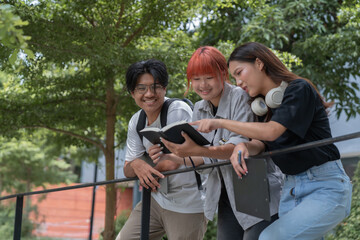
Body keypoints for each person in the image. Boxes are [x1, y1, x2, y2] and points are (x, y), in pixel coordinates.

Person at [192, 42, 353, 240]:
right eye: (234, 77)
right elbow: (260, 143)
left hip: (325, 185)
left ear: (259, 63)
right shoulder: (262, 106)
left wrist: (221, 123)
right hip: (291, 188)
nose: (238, 81)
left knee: (269, 237)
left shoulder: (299, 89)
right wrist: (244, 145)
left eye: (239, 72)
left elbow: (272, 132)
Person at [149, 46, 283, 240]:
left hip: (255, 191)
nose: (202, 84)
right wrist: (173, 154)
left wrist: (197, 150)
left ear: (222, 73)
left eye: (208, 77)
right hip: (225, 196)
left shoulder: (240, 97)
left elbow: (238, 149)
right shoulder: (200, 108)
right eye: (196, 79)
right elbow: (203, 159)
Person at [116, 59, 207, 240]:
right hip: (156, 200)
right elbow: (127, 168)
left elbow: (172, 162)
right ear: (132, 92)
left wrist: (146, 172)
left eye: (155, 87)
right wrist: (137, 165)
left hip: (188, 202)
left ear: (164, 88)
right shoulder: (136, 121)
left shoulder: (177, 110)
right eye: (141, 88)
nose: (149, 94)